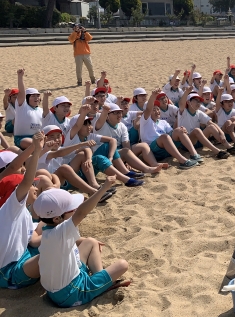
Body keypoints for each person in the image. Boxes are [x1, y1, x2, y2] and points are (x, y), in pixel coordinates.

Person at [34, 179, 130, 307]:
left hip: (58, 289)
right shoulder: (61, 231)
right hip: (71, 292)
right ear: (57, 218)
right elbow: (82, 212)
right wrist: (103, 188)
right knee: (123, 265)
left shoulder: (47, 231)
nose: (75, 210)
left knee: (90, 242)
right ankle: (101, 285)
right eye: (71, 209)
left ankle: (99, 278)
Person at [0, 132, 43, 290]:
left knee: (62, 240)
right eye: (33, 185)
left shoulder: (20, 211)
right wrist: (36, 150)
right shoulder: (11, 208)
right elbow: (25, 180)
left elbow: (33, 239)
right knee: (53, 253)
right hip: (9, 272)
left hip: (23, 254)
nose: (35, 187)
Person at [140, 89, 199, 169]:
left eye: (158, 109)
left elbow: (172, 133)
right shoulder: (145, 120)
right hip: (153, 151)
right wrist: (153, 96)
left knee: (178, 130)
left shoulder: (163, 122)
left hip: (166, 149)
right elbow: (148, 109)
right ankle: (183, 161)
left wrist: (180, 130)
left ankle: (194, 154)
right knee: (164, 136)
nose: (157, 111)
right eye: (154, 110)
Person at [13, 69, 43, 149]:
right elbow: (22, 93)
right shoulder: (22, 107)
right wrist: (20, 77)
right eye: (33, 96)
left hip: (38, 137)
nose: (36, 98)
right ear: (27, 98)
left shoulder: (41, 110)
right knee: (33, 144)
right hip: (22, 138)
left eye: (38, 96)